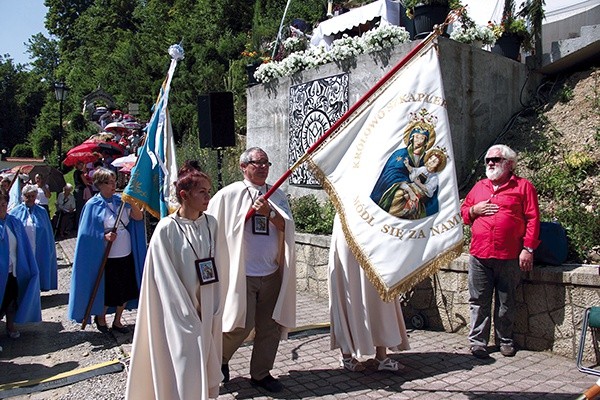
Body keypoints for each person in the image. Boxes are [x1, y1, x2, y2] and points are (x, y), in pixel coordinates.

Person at [126, 161, 222, 400]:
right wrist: (186, 313)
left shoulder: (210, 223)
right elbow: (163, 276)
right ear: (184, 195)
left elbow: (217, 261)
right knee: (184, 362)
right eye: (202, 192)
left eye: (208, 192)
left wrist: (215, 302)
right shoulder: (166, 229)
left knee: (206, 359)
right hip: (178, 312)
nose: (207, 197)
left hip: (206, 305)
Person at [207, 147, 296, 393]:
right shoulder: (229, 195)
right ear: (243, 166)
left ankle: (261, 373)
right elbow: (214, 229)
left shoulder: (276, 194)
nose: (263, 167)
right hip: (241, 273)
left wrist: (269, 214)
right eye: (257, 163)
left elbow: (286, 227)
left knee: (270, 327)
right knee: (239, 325)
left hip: (270, 272)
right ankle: (221, 359)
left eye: (266, 162)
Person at [461, 144, 540, 359]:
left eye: (495, 159)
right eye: (487, 160)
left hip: (509, 255)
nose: (490, 163)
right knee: (478, 301)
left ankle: (505, 340)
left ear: (509, 163)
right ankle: (477, 343)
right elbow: (464, 212)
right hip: (480, 254)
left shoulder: (523, 187)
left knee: (507, 301)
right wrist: (473, 210)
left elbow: (533, 219)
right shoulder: (479, 187)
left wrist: (528, 249)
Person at [67, 168, 146, 334]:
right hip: (107, 256)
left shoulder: (121, 201)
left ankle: (118, 321)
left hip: (126, 252)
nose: (113, 184)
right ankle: (101, 318)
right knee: (109, 290)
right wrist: (103, 235)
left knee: (126, 289)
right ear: (100, 185)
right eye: (110, 182)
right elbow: (86, 234)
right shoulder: (92, 205)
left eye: (114, 181)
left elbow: (138, 218)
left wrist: (131, 201)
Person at [329, 215, 410, 372]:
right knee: (348, 288)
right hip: (348, 225)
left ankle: (382, 356)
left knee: (380, 294)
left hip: (374, 226)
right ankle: (346, 356)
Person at [0, 189, 42, 339]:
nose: (1, 208)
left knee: (11, 301)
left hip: (13, 271)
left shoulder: (14, 222)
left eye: (4, 204)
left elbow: (23, 246)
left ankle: (10, 326)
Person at [9, 184, 58, 292]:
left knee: (38, 267)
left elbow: (47, 232)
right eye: (28, 196)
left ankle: (38, 289)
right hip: (23, 248)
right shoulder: (15, 212)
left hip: (39, 246)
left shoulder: (42, 211)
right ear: (23, 196)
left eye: (33, 196)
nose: (30, 199)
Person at [380, 148, 447, 219]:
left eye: (434, 161)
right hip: (411, 187)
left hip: (419, 193)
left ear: (437, 165)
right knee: (398, 193)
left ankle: (395, 216)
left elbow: (429, 190)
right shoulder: (423, 169)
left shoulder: (434, 177)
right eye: (431, 159)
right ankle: (389, 214)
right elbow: (414, 171)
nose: (431, 162)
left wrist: (419, 184)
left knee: (409, 204)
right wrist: (407, 165)